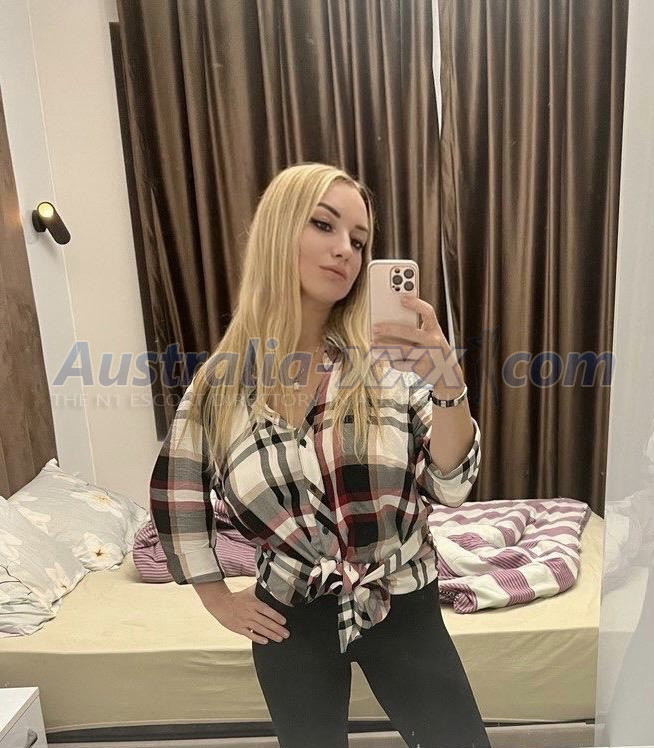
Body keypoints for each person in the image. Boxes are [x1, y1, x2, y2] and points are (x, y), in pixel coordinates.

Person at [149, 163, 491, 748]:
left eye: (359, 241)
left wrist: (447, 382)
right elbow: (177, 493)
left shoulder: (387, 365)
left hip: (400, 596)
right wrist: (215, 597)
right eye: (324, 225)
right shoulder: (220, 386)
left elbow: (449, 484)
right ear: (279, 230)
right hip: (290, 612)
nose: (345, 252)